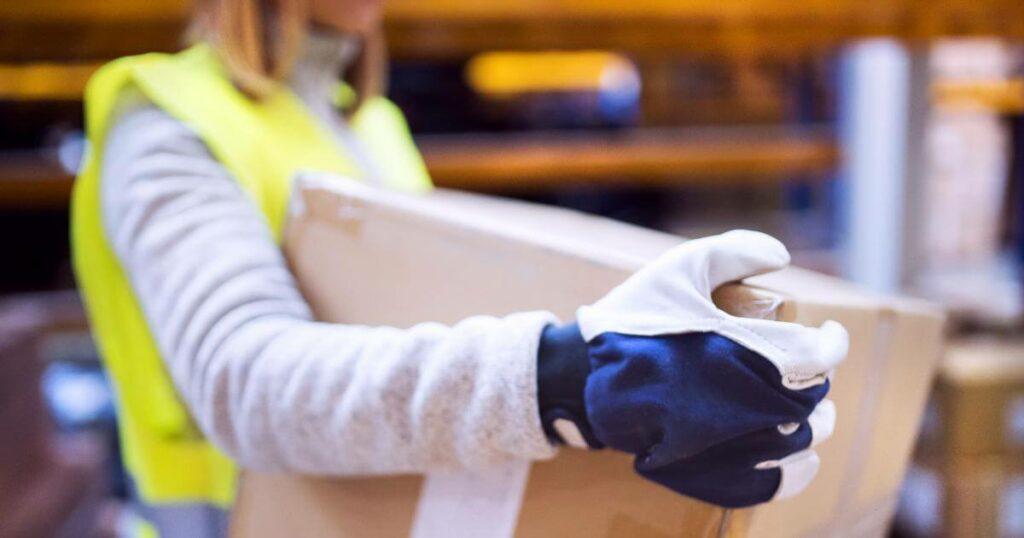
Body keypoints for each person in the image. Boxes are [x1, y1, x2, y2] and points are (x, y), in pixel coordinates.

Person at [70, 0, 849, 536]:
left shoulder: (370, 126)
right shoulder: (165, 123)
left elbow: (426, 340)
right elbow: (249, 381)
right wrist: (567, 380)